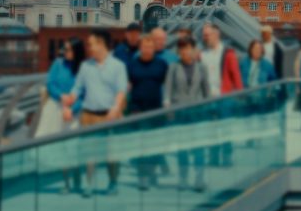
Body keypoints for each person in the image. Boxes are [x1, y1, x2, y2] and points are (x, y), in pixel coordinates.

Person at [62, 29, 129, 197]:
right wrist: (70, 98)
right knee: (89, 152)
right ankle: (89, 184)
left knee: (111, 154)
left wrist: (115, 108)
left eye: (91, 44)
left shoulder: (118, 66)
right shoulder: (85, 66)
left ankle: (113, 182)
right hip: (89, 115)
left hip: (109, 116)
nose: (89, 47)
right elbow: (77, 87)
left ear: (101, 44)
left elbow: (121, 91)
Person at [37, 37, 86, 194]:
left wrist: (73, 109)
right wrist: (61, 97)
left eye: (68, 49)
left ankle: (78, 180)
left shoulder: (83, 69)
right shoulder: (58, 64)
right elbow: (50, 84)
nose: (65, 52)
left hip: (74, 111)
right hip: (57, 108)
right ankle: (66, 183)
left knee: (73, 147)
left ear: (76, 52)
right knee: (61, 147)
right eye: (64, 49)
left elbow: (85, 92)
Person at [163, 37, 210, 191]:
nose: (184, 51)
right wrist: (168, 107)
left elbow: (206, 92)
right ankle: (183, 178)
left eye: (187, 48)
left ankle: (199, 179)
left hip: (197, 113)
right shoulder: (173, 67)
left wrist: (208, 110)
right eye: (182, 49)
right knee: (182, 148)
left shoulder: (202, 67)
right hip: (180, 112)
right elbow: (168, 91)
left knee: (198, 148)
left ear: (193, 49)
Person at [126, 35, 169, 190]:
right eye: (144, 46)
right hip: (137, 109)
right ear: (140, 48)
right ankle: (142, 176)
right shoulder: (132, 65)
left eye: (150, 47)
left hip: (156, 109)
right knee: (140, 144)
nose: (147, 49)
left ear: (154, 49)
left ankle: (151, 171)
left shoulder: (161, 64)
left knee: (154, 144)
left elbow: (166, 85)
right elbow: (128, 85)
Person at [201, 23, 242, 167]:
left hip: (224, 98)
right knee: (211, 129)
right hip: (208, 99)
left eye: (207, 35)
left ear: (216, 34)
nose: (205, 38)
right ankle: (213, 157)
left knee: (225, 128)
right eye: (204, 35)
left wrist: (240, 94)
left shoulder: (228, 53)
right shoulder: (202, 54)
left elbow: (235, 74)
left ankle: (226, 157)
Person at [240, 39, 278, 113]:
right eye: (255, 48)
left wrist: (269, 94)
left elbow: (274, 82)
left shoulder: (268, 65)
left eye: (259, 49)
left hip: (262, 100)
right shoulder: (243, 63)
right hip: (247, 99)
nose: (258, 51)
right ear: (251, 50)